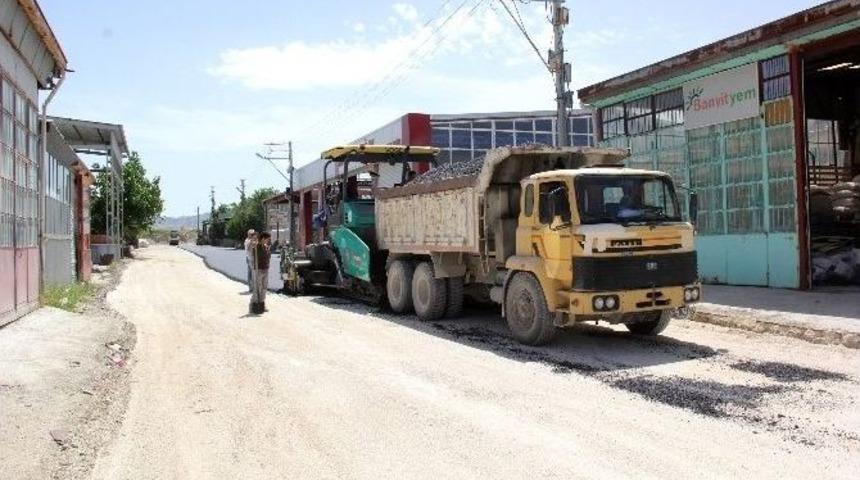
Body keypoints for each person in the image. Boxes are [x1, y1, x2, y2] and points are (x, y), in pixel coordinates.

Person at [250, 232, 272, 314]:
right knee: (257, 288)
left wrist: (268, 250)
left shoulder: (266, 247)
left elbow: (268, 257)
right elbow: (252, 253)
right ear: (263, 239)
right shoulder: (256, 247)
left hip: (265, 269)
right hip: (258, 269)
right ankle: (255, 304)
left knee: (264, 287)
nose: (268, 241)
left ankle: (262, 304)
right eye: (267, 239)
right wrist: (254, 245)